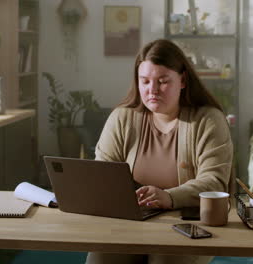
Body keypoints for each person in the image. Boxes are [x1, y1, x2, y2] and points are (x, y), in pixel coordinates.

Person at [86, 39, 233, 264]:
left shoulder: (209, 120)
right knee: (100, 258)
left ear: (182, 80)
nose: (152, 90)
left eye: (162, 81)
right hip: (132, 222)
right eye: (145, 81)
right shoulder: (122, 118)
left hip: (188, 224)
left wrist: (169, 197)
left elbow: (214, 182)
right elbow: (101, 173)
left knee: (164, 258)